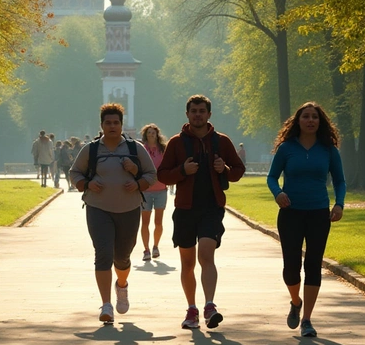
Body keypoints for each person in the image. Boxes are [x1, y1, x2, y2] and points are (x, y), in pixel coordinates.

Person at [157, 94, 245, 330]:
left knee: (206, 255)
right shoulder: (177, 143)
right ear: (187, 114)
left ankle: (209, 306)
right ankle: (191, 309)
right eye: (194, 111)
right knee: (187, 263)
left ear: (209, 114)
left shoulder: (221, 141)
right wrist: (183, 171)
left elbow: (238, 170)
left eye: (202, 111)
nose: (198, 115)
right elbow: (162, 175)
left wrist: (224, 169)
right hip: (185, 209)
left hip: (211, 208)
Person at [70, 103, 157, 324]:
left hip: (128, 209)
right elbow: (75, 172)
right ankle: (106, 305)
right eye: (107, 123)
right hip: (98, 208)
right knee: (103, 254)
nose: (112, 126)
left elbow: (151, 175)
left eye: (116, 122)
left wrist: (137, 180)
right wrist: (88, 183)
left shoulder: (134, 148)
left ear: (121, 125)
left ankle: (122, 285)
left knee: (122, 257)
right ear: (101, 125)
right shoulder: (91, 149)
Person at [267, 101, 346, 338]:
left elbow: (340, 181)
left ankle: (308, 320)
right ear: (297, 121)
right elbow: (272, 177)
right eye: (306, 117)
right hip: (290, 213)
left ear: (320, 122)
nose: (310, 120)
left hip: (319, 213)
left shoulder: (329, 150)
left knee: (313, 265)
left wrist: (339, 203)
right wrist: (278, 193)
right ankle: (295, 301)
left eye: (315, 117)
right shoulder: (286, 148)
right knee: (291, 268)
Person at [139, 123, 169, 261]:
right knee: (145, 222)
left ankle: (156, 246)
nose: (151, 135)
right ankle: (146, 250)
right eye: (149, 133)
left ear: (157, 135)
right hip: (145, 190)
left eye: (153, 133)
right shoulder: (141, 150)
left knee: (158, 222)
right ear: (145, 135)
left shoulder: (163, 149)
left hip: (161, 190)